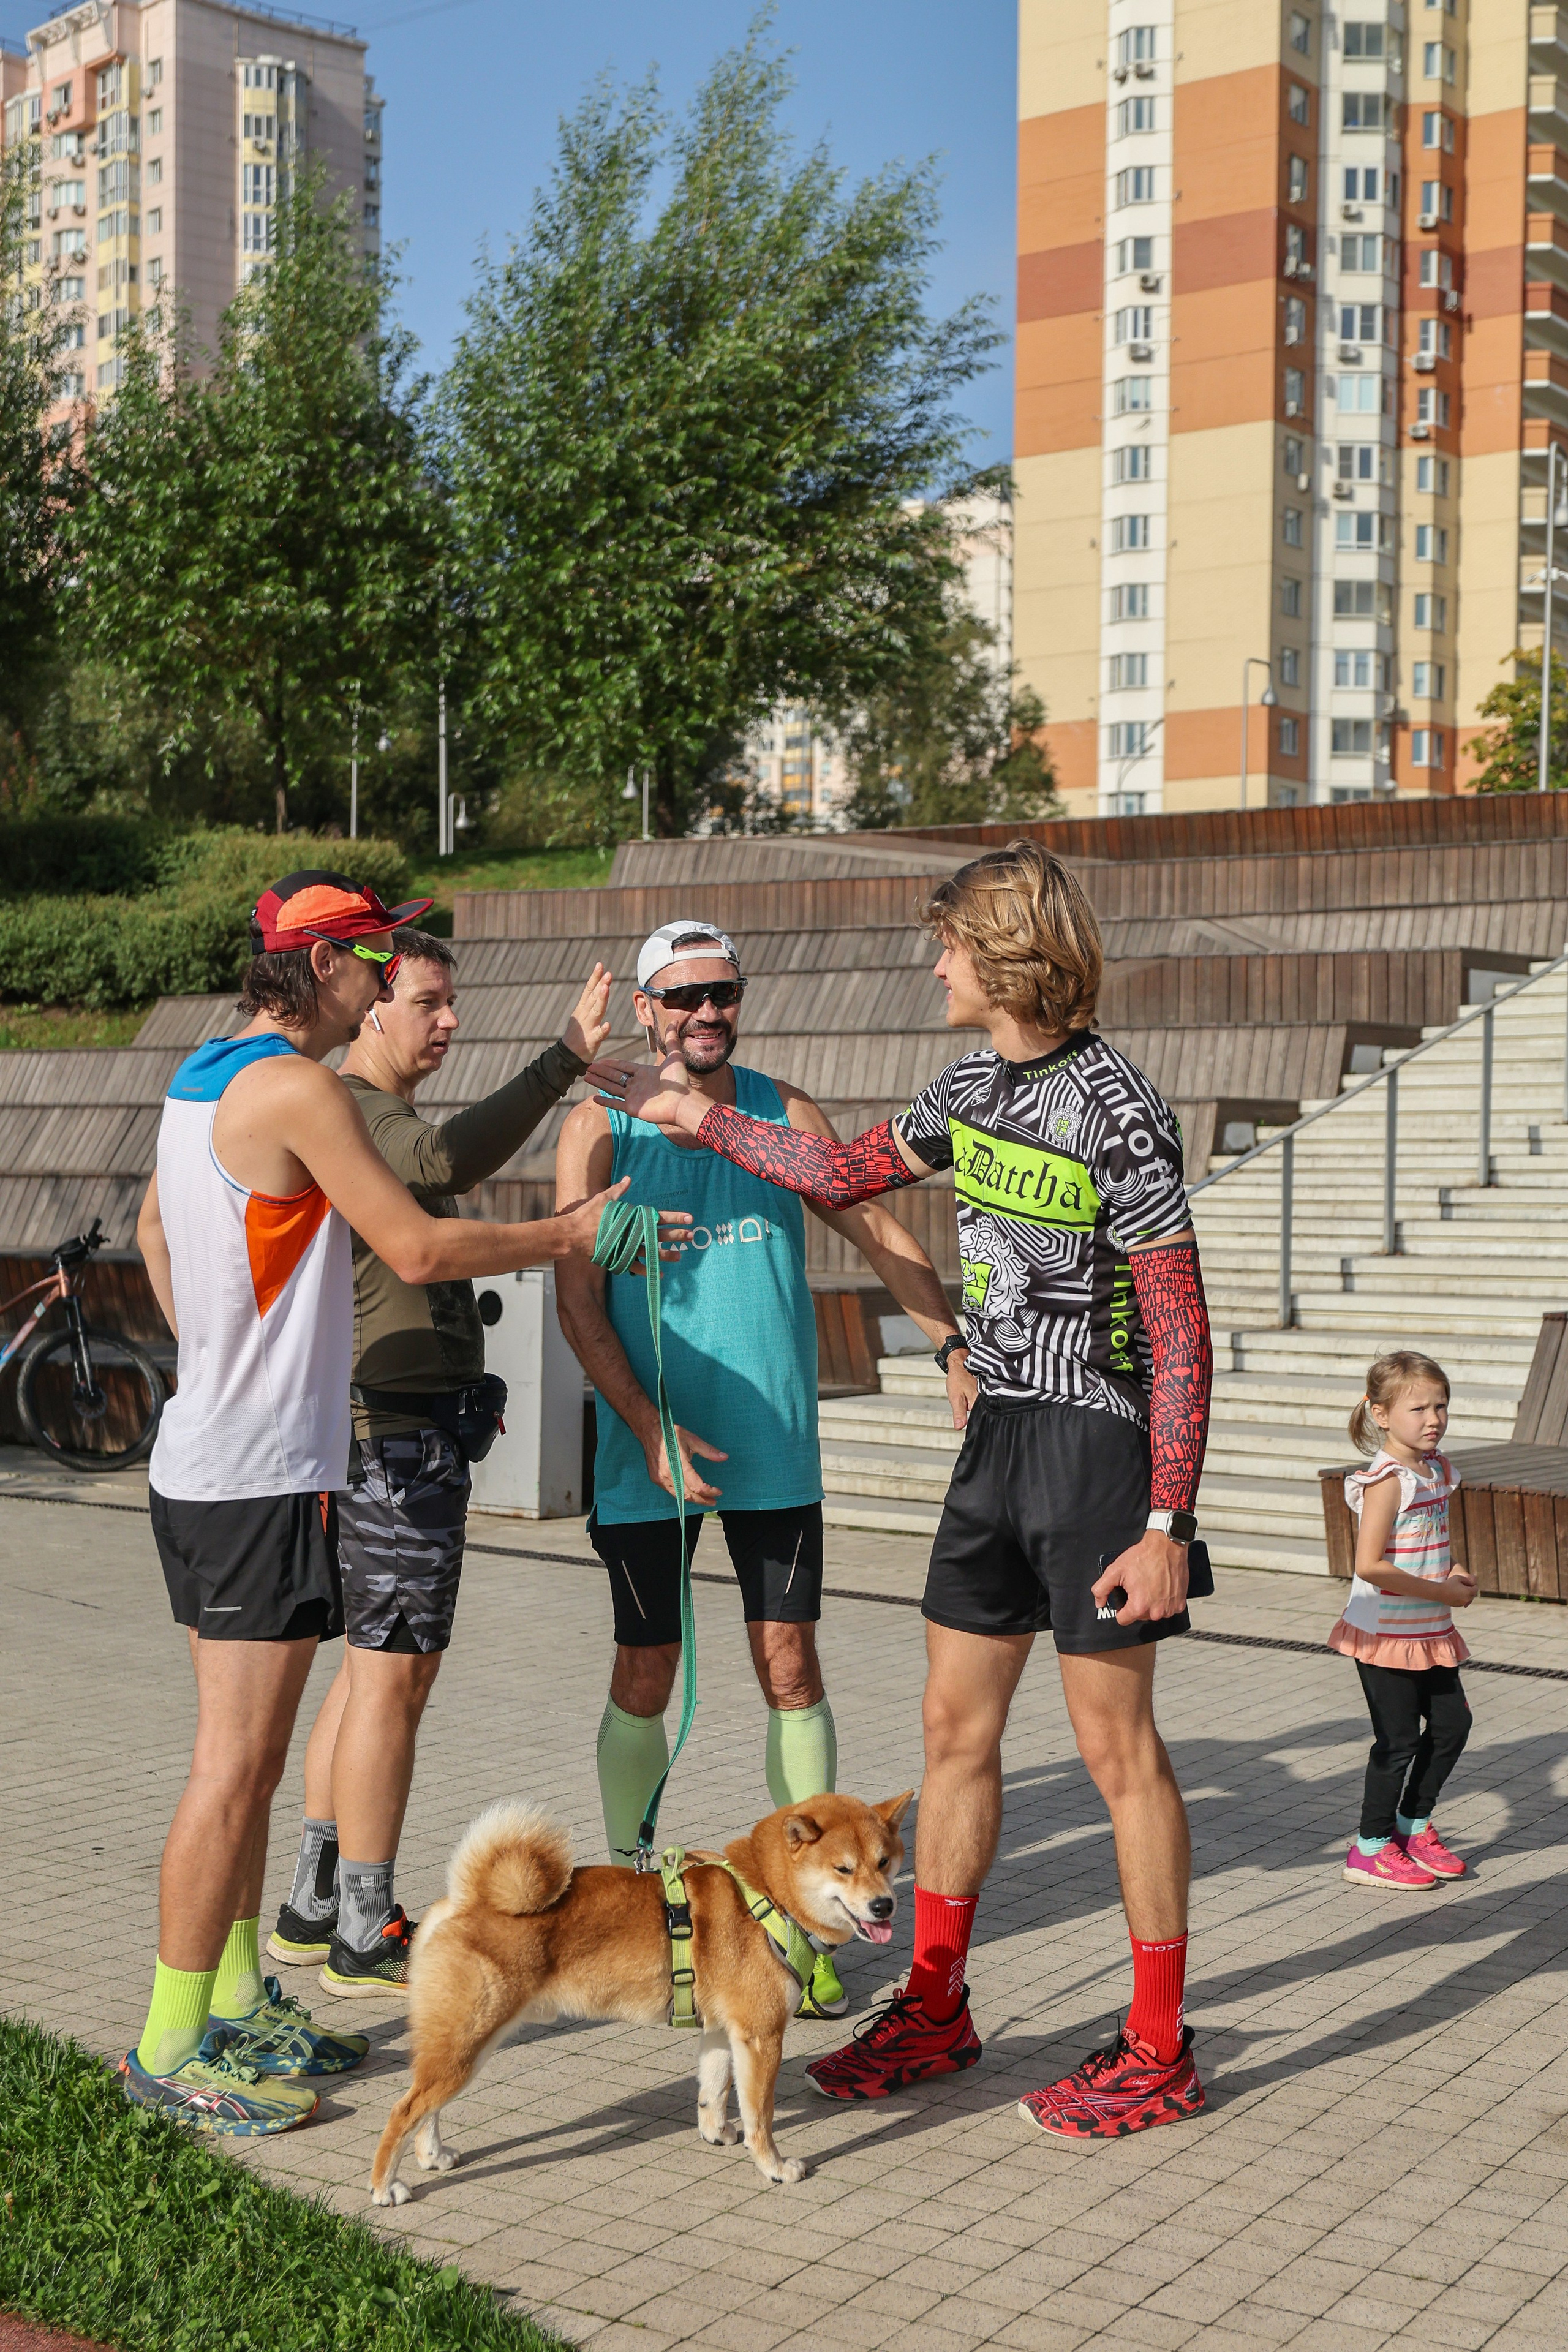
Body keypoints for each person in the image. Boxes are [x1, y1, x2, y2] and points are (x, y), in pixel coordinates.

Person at [602, 842, 1216, 2138]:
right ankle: (936, 2008)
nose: (929, 964)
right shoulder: (970, 1084)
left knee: (1120, 1759)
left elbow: (1177, 1325)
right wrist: (695, 1115)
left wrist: (1167, 1523)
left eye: (943, 944)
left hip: (1096, 1451)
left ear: (996, 953)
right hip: (994, 1443)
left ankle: (1158, 2047)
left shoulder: (1118, 1106)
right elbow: (842, 1175)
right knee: (950, 1740)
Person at [124, 870, 671, 2135]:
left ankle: (233, 1993)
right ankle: (167, 2045)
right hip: (251, 1474)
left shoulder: (203, 1072)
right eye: (375, 962)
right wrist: (568, 1232)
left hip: (228, 1455)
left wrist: (214, 1358)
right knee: (229, 1771)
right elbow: (417, 1246)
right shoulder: (304, 1088)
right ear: (325, 970)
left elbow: (158, 1228)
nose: (386, 985)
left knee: (253, 1769)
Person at [556, 918, 969, 2020]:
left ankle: (809, 1917)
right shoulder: (596, 1126)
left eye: (722, 995)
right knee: (645, 1671)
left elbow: (875, 1229)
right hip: (647, 1452)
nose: (705, 1014)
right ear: (646, 1009)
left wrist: (950, 1343)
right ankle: (633, 1885)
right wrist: (646, 1426)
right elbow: (576, 1300)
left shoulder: (782, 1115)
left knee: (790, 1667)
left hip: (774, 1451)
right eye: (683, 998)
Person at [271, 930, 619, 1997]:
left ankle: (316, 1897)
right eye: (427, 1001)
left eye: (449, 1001)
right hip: (397, 1438)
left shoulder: (377, 1112)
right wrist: (559, 1062)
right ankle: (365, 1921)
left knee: (369, 1670)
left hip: (405, 1431)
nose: (448, 1020)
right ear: (372, 1007)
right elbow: (447, 1166)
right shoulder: (363, 1112)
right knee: (395, 1678)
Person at [1332, 1351, 1475, 1889]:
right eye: (1419, 1408)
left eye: (1441, 1406)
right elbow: (1371, 1564)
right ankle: (1369, 1849)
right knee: (1397, 1742)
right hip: (1385, 1633)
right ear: (1382, 1413)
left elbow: (1433, 1543)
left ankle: (1412, 1827)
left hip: (1430, 1630)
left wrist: (1454, 1572)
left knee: (1452, 1727)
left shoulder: (1435, 1468)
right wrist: (1439, 1589)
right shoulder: (1387, 1479)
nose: (1434, 1418)